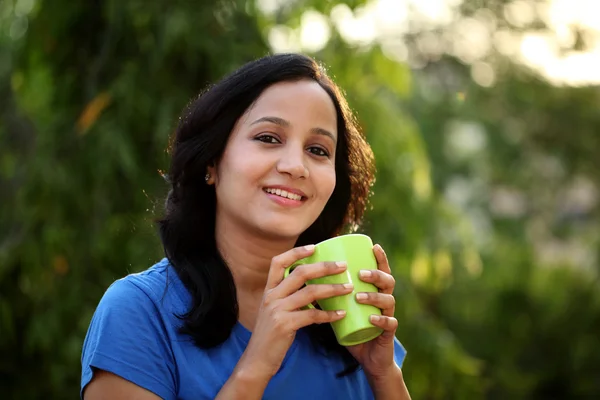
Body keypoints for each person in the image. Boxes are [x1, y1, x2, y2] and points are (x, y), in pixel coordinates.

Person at [81, 53, 411, 400]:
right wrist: (256, 366)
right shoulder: (139, 312)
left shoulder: (348, 321)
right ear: (211, 160)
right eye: (269, 138)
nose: (295, 166)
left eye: (317, 149)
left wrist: (383, 374)